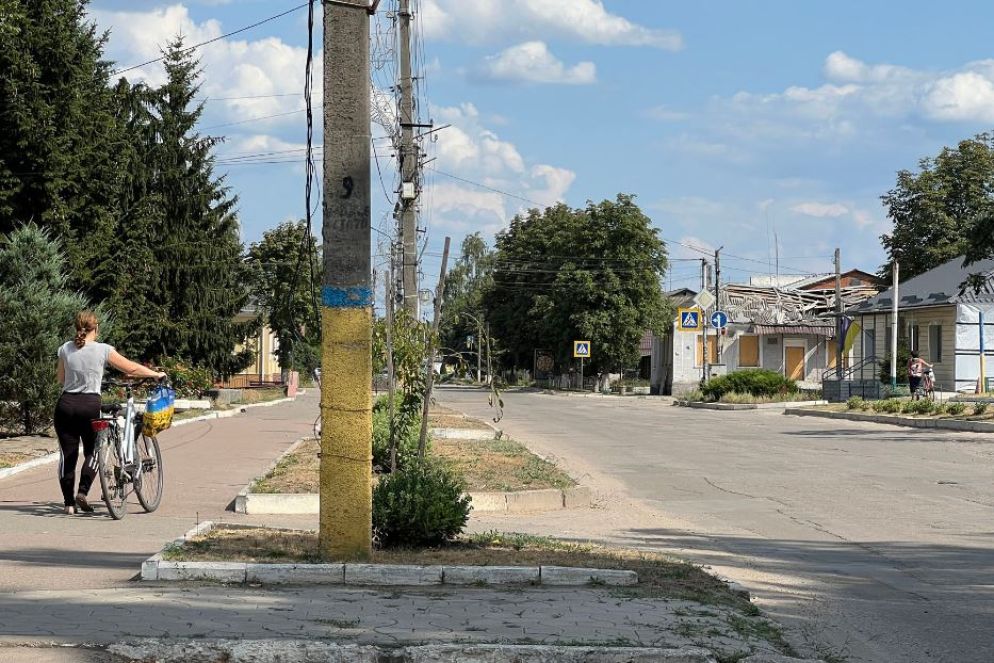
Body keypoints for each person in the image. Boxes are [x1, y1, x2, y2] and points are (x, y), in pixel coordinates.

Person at [55, 311, 166, 515]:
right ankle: (82, 491)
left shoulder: (65, 349)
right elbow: (131, 369)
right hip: (89, 406)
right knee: (93, 451)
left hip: (66, 405)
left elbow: (61, 379)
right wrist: (155, 374)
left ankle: (68, 504)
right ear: (96, 328)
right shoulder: (103, 349)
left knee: (67, 456)